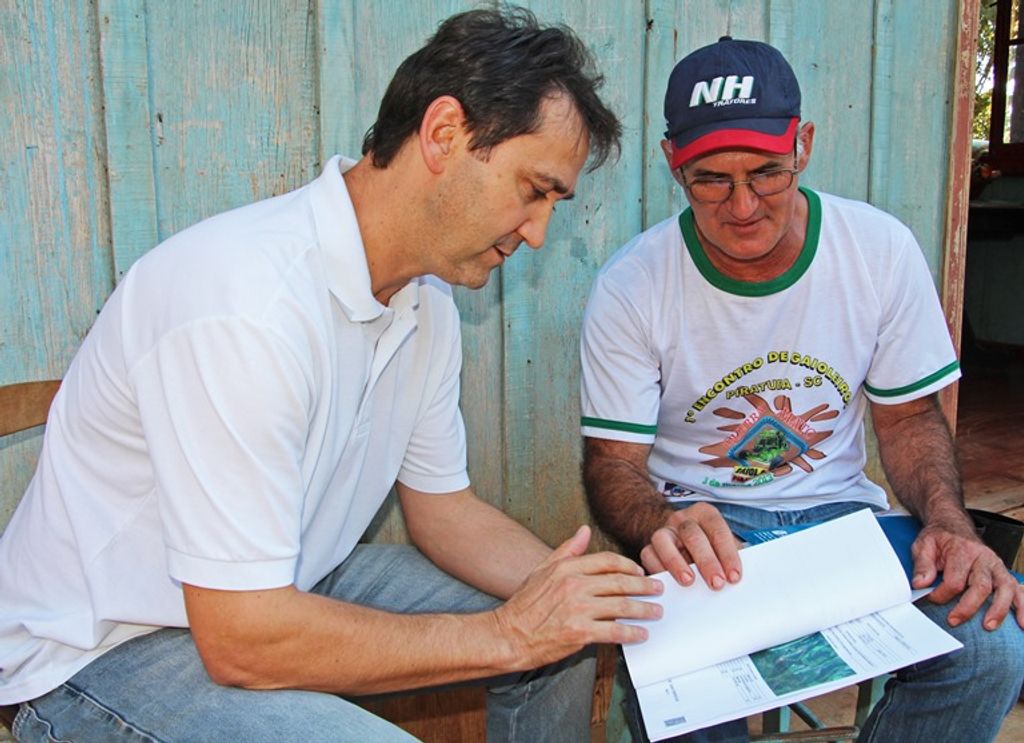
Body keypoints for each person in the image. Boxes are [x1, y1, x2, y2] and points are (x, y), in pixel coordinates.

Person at [0, 8, 665, 742]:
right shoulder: (246, 309)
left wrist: (586, 598)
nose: (538, 233)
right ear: (444, 133)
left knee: (569, 638)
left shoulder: (426, 304)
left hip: (281, 586)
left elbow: (445, 512)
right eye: (533, 190)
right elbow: (244, 640)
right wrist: (511, 634)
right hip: (106, 651)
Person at [580, 36, 1024, 743]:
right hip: (707, 531)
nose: (743, 205)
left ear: (804, 145)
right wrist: (662, 524)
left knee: (990, 649)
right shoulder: (632, 286)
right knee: (682, 699)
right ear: (673, 163)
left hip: (844, 523)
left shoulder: (877, 250)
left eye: (766, 172)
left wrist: (950, 525)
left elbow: (910, 420)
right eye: (711, 180)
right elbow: (613, 464)